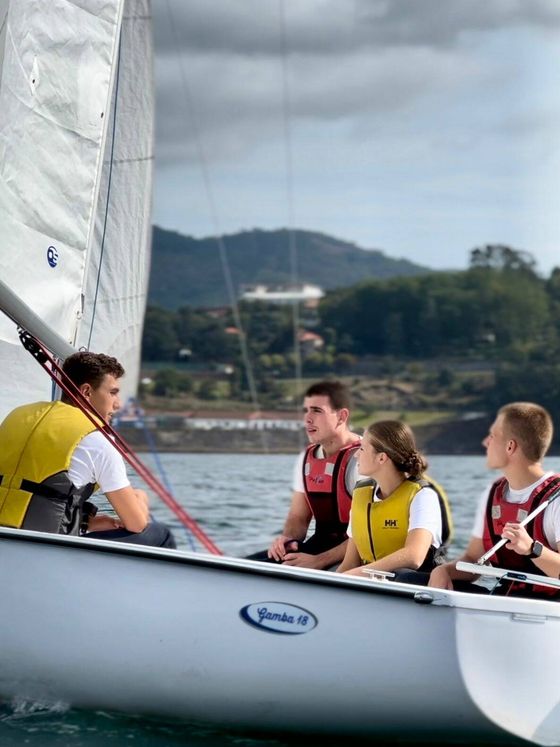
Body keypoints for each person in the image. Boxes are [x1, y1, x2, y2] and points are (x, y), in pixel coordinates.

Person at [0, 351, 176, 548]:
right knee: (161, 534)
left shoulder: (16, 416)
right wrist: (140, 498)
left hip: (6, 540)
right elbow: (136, 524)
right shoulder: (96, 440)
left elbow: (29, 491)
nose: (117, 404)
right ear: (86, 391)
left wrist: (86, 521)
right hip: (44, 550)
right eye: (113, 393)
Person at [429, 402, 560, 598]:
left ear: (510, 446)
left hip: (547, 609)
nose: (485, 442)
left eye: (492, 436)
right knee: (408, 580)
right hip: (504, 600)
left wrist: (532, 549)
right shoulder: (492, 493)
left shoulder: (556, 499)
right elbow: (474, 559)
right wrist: (444, 570)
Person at [247, 380, 361, 569]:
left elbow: (371, 532)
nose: (307, 419)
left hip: (357, 555)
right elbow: (298, 517)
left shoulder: (364, 458)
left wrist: (319, 561)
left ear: (341, 416)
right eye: (305, 410)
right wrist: (286, 541)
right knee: (249, 566)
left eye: (317, 411)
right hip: (319, 547)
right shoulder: (305, 458)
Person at [337, 420, 452, 583]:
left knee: (404, 577)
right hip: (371, 585)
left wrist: (359, 574)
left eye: (362, 449)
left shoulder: (423, 496)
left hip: (414, 588)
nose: (356, 454)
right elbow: (349, 563)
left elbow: (414, 556)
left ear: (382, 458)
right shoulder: (361, 495)